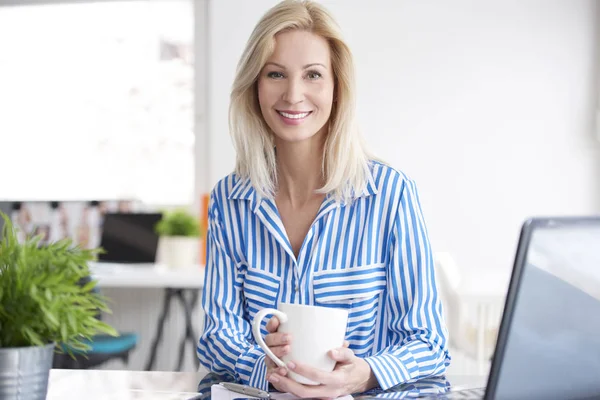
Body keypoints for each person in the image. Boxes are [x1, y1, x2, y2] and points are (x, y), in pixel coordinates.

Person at [197, 0, 451, 397]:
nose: (293, 94)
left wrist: (363, 373)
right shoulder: (230, 199)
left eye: (313, 75)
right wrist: (261, 365)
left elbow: (428, 342)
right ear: (255, 86)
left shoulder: (390, 194)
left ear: (337, 87)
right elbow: (217, 334)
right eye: (276, 74)